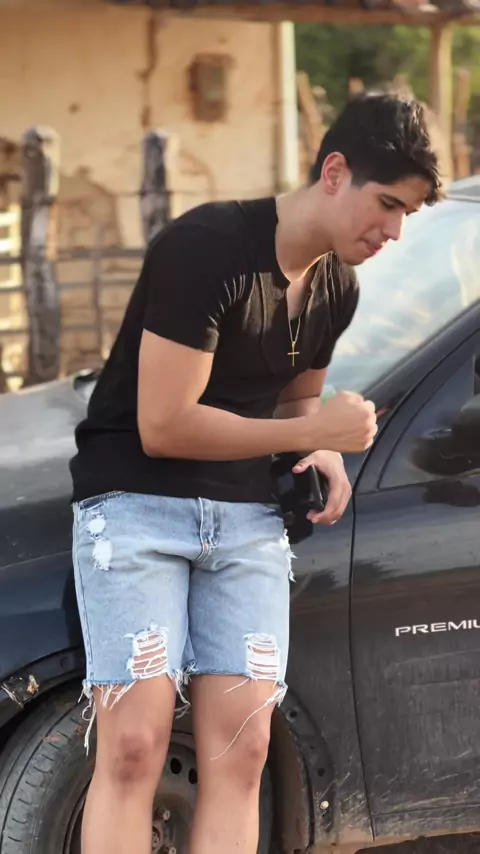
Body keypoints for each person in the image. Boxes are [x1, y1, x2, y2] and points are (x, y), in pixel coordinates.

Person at [69, 93, 440, 854]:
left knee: (242, 751)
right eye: (387, 204)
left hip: (246, 521)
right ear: (334, 172)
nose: (395, 231)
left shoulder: (337, 288)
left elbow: (297, 399)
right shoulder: (204, 247)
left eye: (406, 214)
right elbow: (164, 425)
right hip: (136, 506)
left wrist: (322, 449)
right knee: (134, 745)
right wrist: (314, 429)